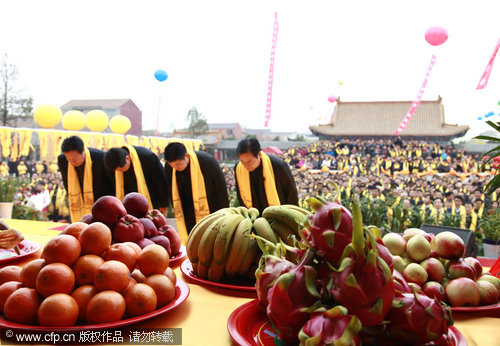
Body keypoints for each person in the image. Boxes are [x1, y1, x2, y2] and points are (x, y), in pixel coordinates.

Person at [164, 142, 229, 242]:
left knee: (211, 240)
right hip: (187, 211)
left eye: (178, 164)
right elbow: (170, 189)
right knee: (191, 240)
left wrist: (225, 215)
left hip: (211, 209)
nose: (175, 168)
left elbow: (222, 191)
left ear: (186, 156)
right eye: (172, 166)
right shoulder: (169, 167)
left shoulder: (208, 162)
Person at [58, 136, 114, 223]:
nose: (72, 163)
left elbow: (111, 183)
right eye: (69, 160)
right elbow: (67, 183)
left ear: (83, 151)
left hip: (101, 204)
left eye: (75, 160)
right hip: (78, 205)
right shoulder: (62, 160)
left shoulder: (100, 157)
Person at [234, 138, 298, 213]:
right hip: (253, 216)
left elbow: (291, 194)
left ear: (259, 154)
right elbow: (240, 196)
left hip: (279, 214)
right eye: (242, 161)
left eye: (249, 161)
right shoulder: (239, 168)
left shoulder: (278, 166)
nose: (246, 165)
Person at [103, 145, 169, 214]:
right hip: (129, 203)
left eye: (121, 168)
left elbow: (160, 181)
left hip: (151, 199)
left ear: (127, 158)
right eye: (117, 170)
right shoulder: (112, 166)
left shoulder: (148, 157)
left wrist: (163, 203)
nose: (120, 172)